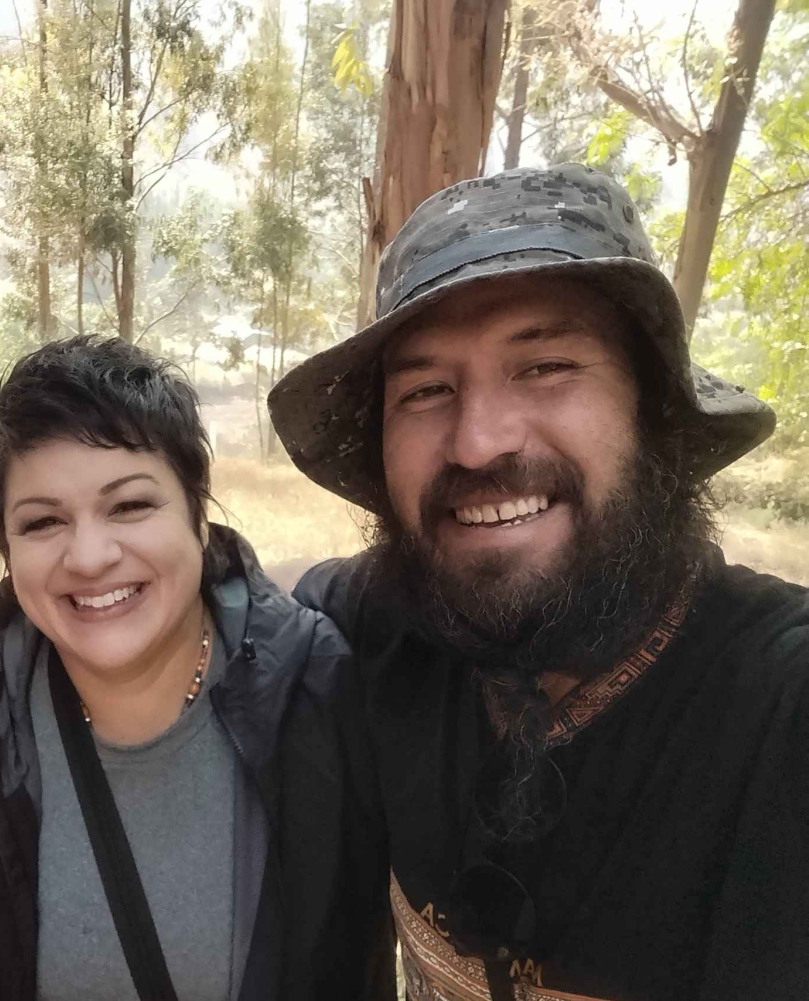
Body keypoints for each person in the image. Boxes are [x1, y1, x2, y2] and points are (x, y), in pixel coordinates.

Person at [269, 163, 809, 1000]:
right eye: (426, 389)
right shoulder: (376, 627)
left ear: (653, 408)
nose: (477, 441)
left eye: (546, 365)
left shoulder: (776, 709)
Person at [0, 336, 396, 1001]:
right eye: (42, 522)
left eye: (129, 506)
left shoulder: (321, 688)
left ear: (197, 515)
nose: (90, 556)